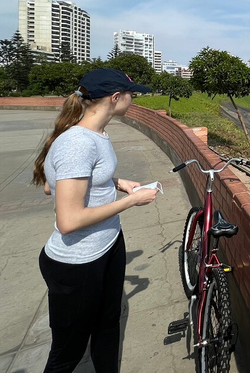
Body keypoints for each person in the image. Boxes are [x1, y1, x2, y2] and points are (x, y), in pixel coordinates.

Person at [32, 68, 158, 373]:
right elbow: (69, 220)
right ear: (116, 98)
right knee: (67, 353)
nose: (134, 100)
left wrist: (119, 183)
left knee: (107, 325)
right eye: (132, 95)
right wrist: (130, 201)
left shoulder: (96, 133)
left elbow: (57, 183)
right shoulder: (78, 143)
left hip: (107, 246)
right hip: (78, 263)